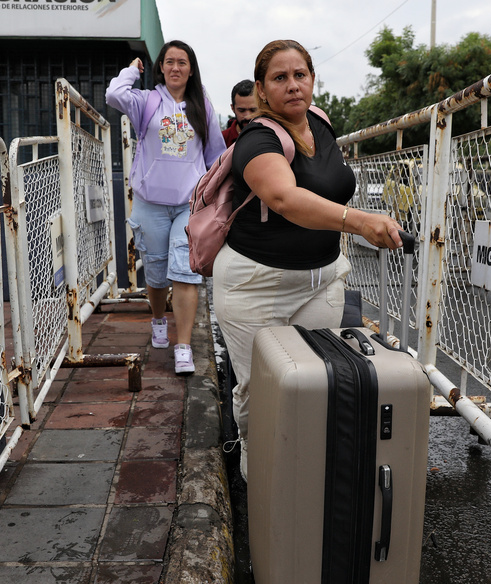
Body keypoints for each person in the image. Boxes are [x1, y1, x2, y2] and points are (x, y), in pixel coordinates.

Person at [212, 39, 403, 480]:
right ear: (261, 90)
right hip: (254, 287)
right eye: (280, 78)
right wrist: (358, 221)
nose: (293, 85)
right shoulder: (257, 138)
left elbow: (329, 182)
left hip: (320, 279)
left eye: (301, 75)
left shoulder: (320, 122)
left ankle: (308, 486)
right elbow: (283, 197)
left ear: (313, 79)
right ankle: (261, 488)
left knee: (319, 383)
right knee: (261, 392)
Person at [106, 40, 224, 375]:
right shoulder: (146, 101)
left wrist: (212, 197)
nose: (175, 68)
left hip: (189, 204)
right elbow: (114, 95)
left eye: (182, 62)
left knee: (185, 272)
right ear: (161, 67)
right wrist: (132, 71)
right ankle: (158, 319)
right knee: (156, 273)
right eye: (169, 61)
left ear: (191, 68)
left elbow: (216, 154)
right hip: (150, 203)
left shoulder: (202, 106)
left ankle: (183, 346)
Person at [222, 79, 259, 147]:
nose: (248, 116)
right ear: (233, 108)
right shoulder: (222, 140)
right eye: (242, 110)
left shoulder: (273, 135)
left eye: (253, 110)